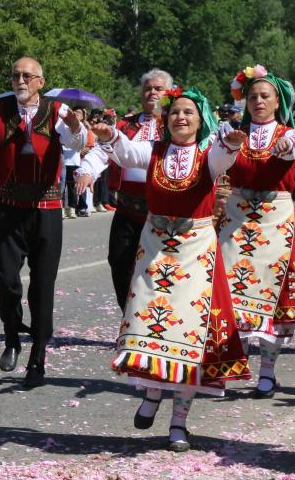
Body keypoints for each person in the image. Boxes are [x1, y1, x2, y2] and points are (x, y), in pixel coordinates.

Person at [93, 86, 249, 450]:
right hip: (155, 248)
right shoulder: (154, 151)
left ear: (200, 120)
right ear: (166, 119)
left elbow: (224, 159)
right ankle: (151, 393)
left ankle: (179, 421)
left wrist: (233, 143)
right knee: (147, 320)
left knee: (188, 334)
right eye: (175, 112)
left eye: (188, 113)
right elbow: (128, 152)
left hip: (195, 252)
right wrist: (111, 136)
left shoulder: (208, 155)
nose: (180, 117)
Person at [0, 57, 86, 387]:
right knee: (6, 279)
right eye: (15, 75)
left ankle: (38, 357)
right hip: (9, 203)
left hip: (45, 205)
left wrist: (74, 127)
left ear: (40, 82)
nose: (20, 80)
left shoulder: (56, 110)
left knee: (42, 284)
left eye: (27, 76)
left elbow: (75, 143)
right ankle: (13, 336)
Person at [221, 65, 295, 398]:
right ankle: (234, 363)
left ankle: (268, 372)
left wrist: (287, 145)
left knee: (272, 296)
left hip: (276, 221)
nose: (258, 101)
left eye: (265, 96)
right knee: (234, 291)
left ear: (277, 102)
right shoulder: (232, 133)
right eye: (253, 96)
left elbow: (293, 148)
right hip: (237, 219)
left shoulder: (291, 134)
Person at [78, 69, 173, 310]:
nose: (152, 92)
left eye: (158, 89)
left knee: (159, 268)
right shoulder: (125, 125)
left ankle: (155, 321)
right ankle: (128, 318)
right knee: (119, 262)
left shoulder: (176, 125)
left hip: (162, 212)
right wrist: (87, 170)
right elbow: (102, 151)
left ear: (169, 93)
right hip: (127, 209)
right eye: (147, 88)